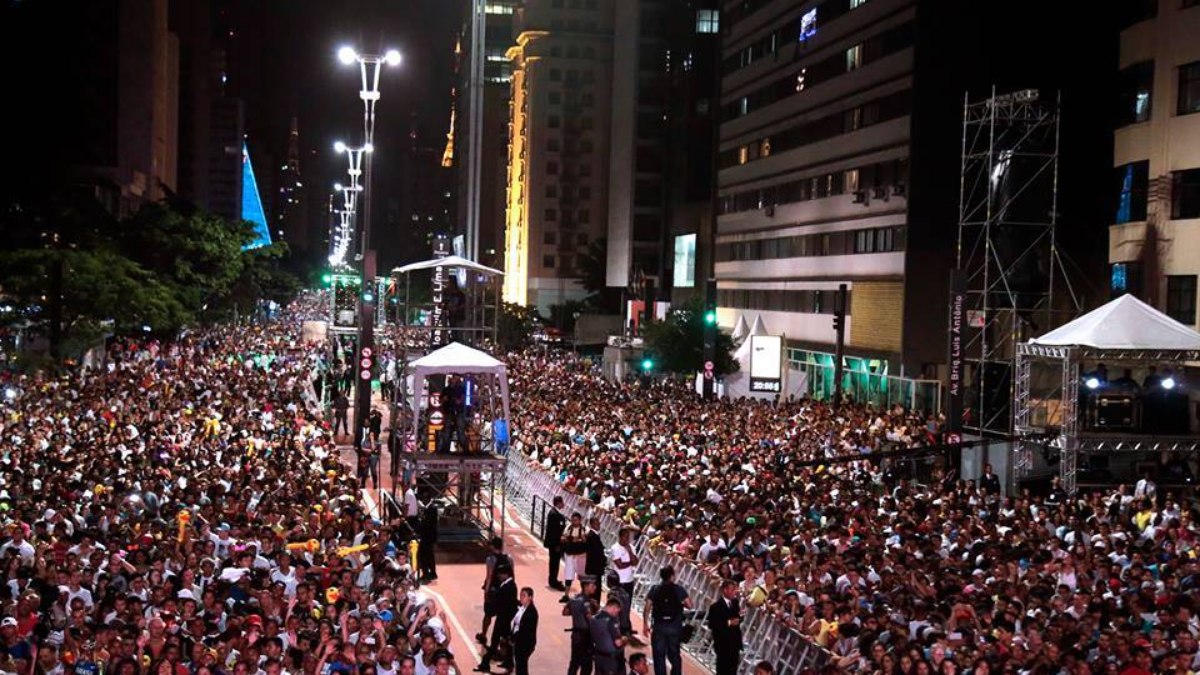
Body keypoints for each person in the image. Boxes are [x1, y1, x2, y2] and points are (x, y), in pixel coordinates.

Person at [643, 566, 691, 675]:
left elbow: (647, 607)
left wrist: (645, 624)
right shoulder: (678, 589)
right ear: (671, 576)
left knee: (659, 655)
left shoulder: (655, 589)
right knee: (674, 654)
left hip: (659, 626)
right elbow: (690, 604)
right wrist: (679, 604)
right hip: (674, 626)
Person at [476, 566, 517, 673]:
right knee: (506, 641)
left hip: (503, 619)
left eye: (500, 574)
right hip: (504, 618)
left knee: (495, 642)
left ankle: (485, 663)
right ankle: (509, 662)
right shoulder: (509, 585)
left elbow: (504, 603)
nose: (498, 576)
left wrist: (491, 610)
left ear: (506, 574)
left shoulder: (509, 586)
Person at [478, 537, 513, 645]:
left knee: (488, 615)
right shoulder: (509, 558)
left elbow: (489, 577)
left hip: (493, 591)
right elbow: (512, 576)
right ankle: (503, 640)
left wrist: (486, 593)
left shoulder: (490, 560)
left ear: (493, 546)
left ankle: (483, 635)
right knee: (503, 617)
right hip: (506, 592)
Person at [707, 580, 743, 675]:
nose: (734, 592)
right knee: (723, 670)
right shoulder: (715, 606)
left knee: (733, 669)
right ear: (725, 590)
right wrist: (729, 622)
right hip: (723, 644)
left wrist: (740, 616)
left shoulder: (735, 603)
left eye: (735, 589)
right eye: (732, 589)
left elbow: (738, 618)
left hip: (735, 643)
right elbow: (712, 624)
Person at [564, 577, 598, 675]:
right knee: (587, 665)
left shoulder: (574, 599)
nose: (595, 587)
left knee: (574, 662)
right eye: (593, 585)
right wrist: (597, 610)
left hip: (575, 635)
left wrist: (577, 613)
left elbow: (565, 612)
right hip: (585, 637)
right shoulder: (587, 602)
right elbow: (590, 618)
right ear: (586, 587)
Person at [610, 528, 638, 638]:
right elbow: (619, 565)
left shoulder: (632, 548)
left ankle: (626, 627)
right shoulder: (615, 548)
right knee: (618, 606)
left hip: (629, 581)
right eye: (626, 536)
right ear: (620, 537)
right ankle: (617, 627)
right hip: (619, 582)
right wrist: (630, 563)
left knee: (627, 605)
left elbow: (635, 562)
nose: (628, 539)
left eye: (629, 537)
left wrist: (630, 552)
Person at [590, 598, 626, 675]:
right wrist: (626, 639)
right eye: (617, 611)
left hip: (598, 656)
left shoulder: (593, 618)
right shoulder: (611, 621)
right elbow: (618, 643)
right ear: (613, 608)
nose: (617, 614)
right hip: (610, 660)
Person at [510, 587, 539, 675]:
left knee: (521, 666)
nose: (521, 598)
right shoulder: (523, 608)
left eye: (524, 596)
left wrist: (513, 639)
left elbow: (524, 631)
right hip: (519, 642)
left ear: (530, 597)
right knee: (520, 665)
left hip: (525, 643)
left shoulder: (531, 613)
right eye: (521, 595)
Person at [561, 512, 588, 602]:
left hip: (580, 556)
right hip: (570, 555)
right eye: (572, 520)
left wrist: (580, 539)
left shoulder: (585, 529)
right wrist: (568, 539)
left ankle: (584, 594)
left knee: (582, 576)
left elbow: (586, 540)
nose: (573, 522)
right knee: (568, 576)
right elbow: (563, 538)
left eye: (575, 520)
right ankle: (566, 594)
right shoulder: (568, 528)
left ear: (580, 520)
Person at [544, 496, 567, 591]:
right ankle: (553, 581)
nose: (563, 504)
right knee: (554, 562)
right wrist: (557, 544)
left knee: (555, 562)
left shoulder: (557, 513)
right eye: (562, 502)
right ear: (558, 503)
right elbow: (554, 532)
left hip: (556, 543)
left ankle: (554, 580)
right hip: (554, 544)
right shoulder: (554, 514)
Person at [585, 517, 608, 601]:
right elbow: (595, 554)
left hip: (596, 568)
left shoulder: (595, 535)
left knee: (596, 590)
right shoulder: (591, 536)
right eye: (596, 523)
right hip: (594, 569)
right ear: (592, 524)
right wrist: (603, 561)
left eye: (598, 523)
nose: (599, 525)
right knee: (594, 590)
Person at [418, 502, 439, 582]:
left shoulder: (428, 519)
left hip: (426, 538)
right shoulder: (433, 517)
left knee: (424, 556)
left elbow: (423, 526)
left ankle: (426, 573)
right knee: (430, 556)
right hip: (430, 538)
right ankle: (432, 572)